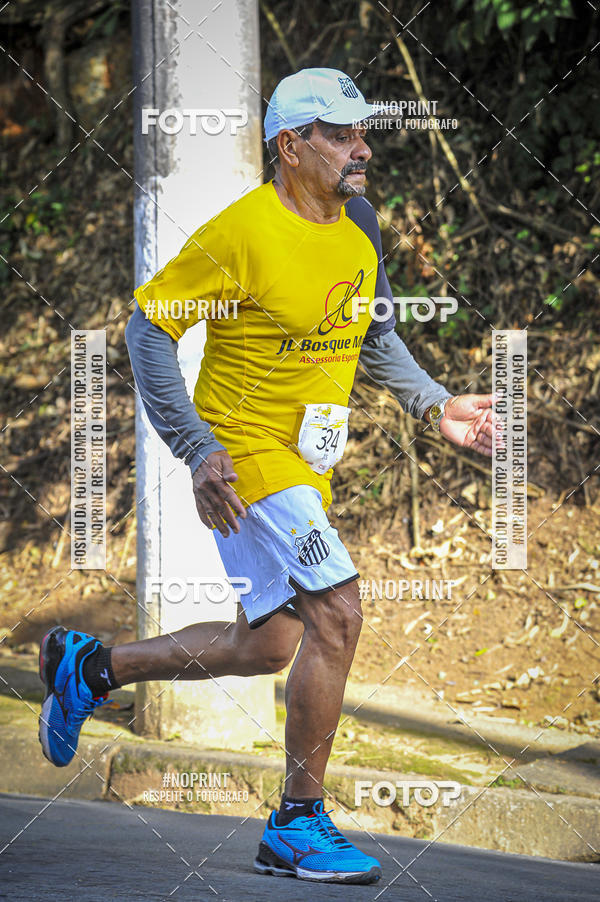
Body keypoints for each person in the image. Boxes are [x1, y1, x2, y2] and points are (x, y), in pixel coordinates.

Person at [38, 68, 494, 885]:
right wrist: (196, 447)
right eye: (342, 135)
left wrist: (436, 406)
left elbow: (373, 332)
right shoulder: (241, 234)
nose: (362, 149)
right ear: (291, 145)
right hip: (244, 458)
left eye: (365, 133)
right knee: (340, 613)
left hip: (303, 467)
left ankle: (93, 668)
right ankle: (297, 822)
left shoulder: (359, 221)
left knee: (273, 642)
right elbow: (149, 328)